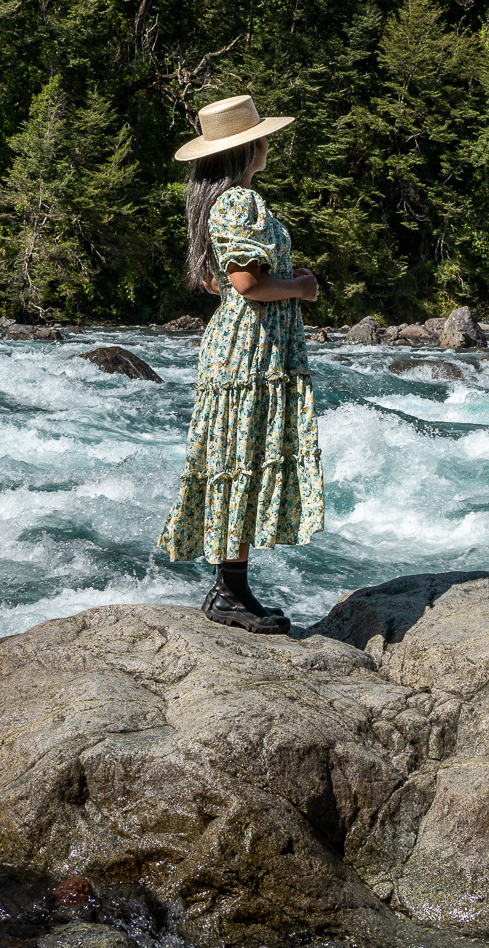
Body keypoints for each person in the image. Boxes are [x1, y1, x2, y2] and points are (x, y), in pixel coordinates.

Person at [158, 94, 324, 633]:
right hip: (251, 350)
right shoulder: (240, 203)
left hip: (244, 346)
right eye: (263, 136)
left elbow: (215, 280)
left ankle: (231, 590)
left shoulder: (217, 202)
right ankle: (228, 594)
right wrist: (300, 287)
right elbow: (247, 283)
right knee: (242, 460)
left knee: (238, 460)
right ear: (249, 146)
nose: (268, 142)